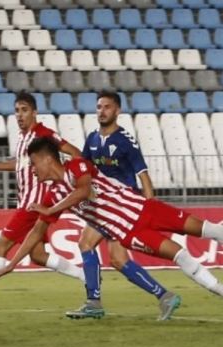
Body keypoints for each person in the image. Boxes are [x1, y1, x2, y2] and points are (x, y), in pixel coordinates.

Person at [0, 137, 223, 308]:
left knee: (207, 229)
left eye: (33, 163)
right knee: (180, 254)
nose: (31, 170)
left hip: (147, 208)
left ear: (46, 159)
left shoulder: (77, 166)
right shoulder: (52, 195)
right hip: (131, 232)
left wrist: (50, 209)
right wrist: (12, 264)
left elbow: (82, 192)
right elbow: (35, 233)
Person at [68, 91, 180, 320]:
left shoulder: (125, 141)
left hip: (124, 207)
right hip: (105, 206)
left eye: (107, 107)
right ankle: (164, 296)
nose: (102, 111)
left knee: (86, 243)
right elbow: (84, 171)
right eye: (99, 107)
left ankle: (94, 302)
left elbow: (144, 176)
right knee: (118, 259)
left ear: (117, 111)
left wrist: (149, 209)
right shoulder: (92, 139)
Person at [0, 91, 85, 293]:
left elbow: (75, 152)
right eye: (17, 111)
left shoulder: (43, 134)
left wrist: (66, 180)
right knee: (38, 255)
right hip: (29, 202)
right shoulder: (23, 137)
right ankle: (87, 277)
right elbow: (21, 164)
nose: (19, 115)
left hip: (34, 203)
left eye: (24, 110)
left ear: (35, 112)